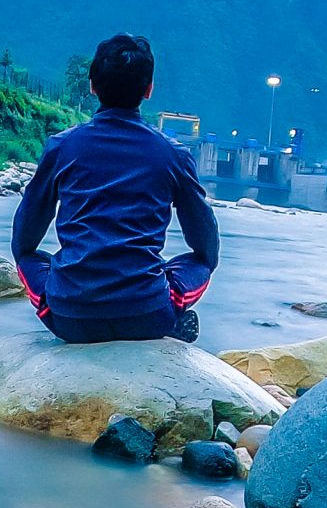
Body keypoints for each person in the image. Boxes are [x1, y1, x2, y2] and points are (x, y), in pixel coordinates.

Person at [11, 33, 218, 343]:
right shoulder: (172, 154)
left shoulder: (61, 147)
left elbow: (23, 241)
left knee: (30, 260)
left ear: (93, 86)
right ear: (148, 90)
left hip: (71, 319)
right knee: (198, 264)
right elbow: (206, 248)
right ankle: (170, 321)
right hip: (147, 315)